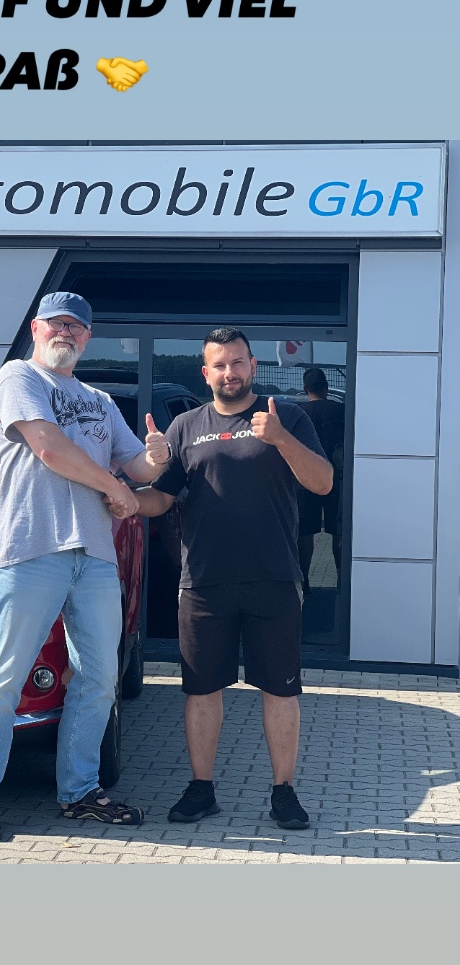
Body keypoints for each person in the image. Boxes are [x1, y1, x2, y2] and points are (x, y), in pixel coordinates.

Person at [0, 291, 170, 840]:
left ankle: (80, 793)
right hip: (33, 550)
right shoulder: (18, 378)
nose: (65, 333)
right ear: (36, 328)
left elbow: (138, 467)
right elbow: (48, 447)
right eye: (56, 324)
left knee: (99, 678)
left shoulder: (99, 400)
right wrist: (115, 489)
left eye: (76, 326)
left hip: (94, 558)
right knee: (3, 678)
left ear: (88, 337)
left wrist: (157, 457)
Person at [131, 328, 333, 831]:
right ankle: (202, 790)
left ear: (253, 365)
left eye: (238, 362)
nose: (230, 373)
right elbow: (162, 499)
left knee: (281, 690)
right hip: (204, 582)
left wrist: (280, 438)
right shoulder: (186, 426)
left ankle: (284, 792)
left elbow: (322, 482)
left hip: (275, 576)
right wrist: (125, 496)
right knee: (201, 690)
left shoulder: (287, 416)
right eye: (219, 365)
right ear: (206, 373)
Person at [296, 366, 345, 591]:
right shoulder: (340, 411)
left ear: (306, 389)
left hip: (305, 479)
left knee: (306, 532)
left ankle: (304, 580)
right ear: (326, 388)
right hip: (337, 478)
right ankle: (341, 581)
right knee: (338, 530)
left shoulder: (299, 413)